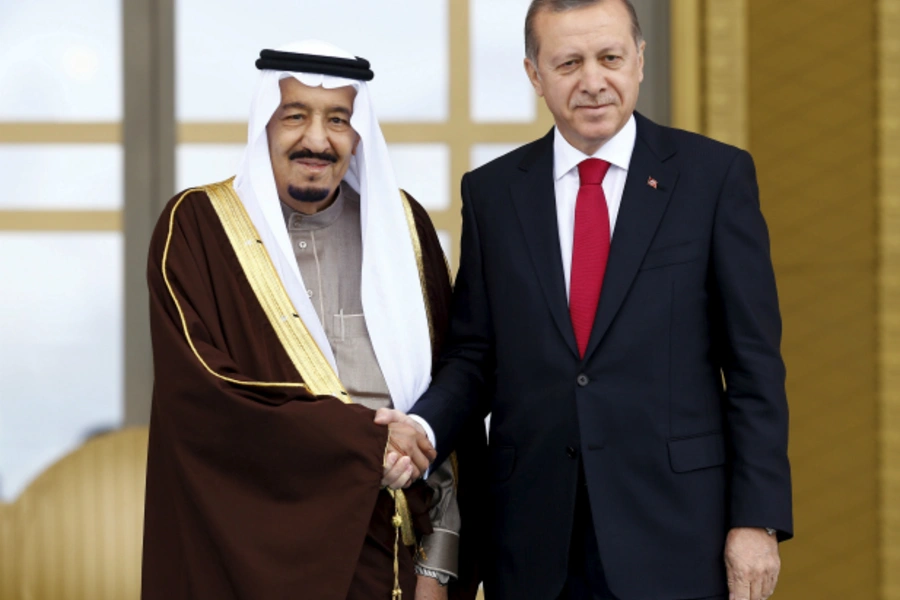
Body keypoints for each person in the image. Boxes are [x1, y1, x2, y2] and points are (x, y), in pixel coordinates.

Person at [378, 1, 793, 599]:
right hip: (534, 540)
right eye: (568, 62)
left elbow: (755, 369)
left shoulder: (714, 178)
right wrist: (421, 426)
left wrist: (756, 521)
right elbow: (475, 356)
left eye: (610, 58)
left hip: (677, 535)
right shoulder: (494, 194)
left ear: (640, 61)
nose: (593, 81)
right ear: (534, 74)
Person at [141, 40, 485, 600]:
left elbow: (448, 402)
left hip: (399, 560)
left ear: (358, 135)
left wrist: (438, 565)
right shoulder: (198, 229)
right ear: (264, 126)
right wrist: (365, 442)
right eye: (294, 116)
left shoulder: (403, 229)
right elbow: (209, 404)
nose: (317, 140)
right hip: (254, 553)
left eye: (338, 120)